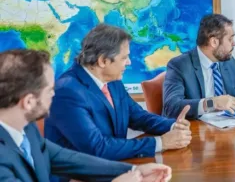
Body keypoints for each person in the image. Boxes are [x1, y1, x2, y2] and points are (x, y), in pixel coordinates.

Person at [0, 49, 172, 182]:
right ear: (28, 102)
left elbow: (60, 157)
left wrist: (133, 171)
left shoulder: (24, 126)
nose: (54, 93)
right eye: (49, 90)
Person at [45, 24, 192, 161]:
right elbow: (97, 148)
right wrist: (161, 143)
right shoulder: (67, 92)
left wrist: (173, 126)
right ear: (103, 61)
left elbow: (138, 117)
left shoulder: (113, 81)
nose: (129, 62)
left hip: (114, 166)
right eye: (124, 57)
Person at [163, 14, 235, 119]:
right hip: (195, 132)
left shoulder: (228, 61)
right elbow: (171, 107)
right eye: (230, 39)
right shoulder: (179, 65)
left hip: (227, 128)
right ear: (214, 42)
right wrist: (213, 103)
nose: (234, 43)